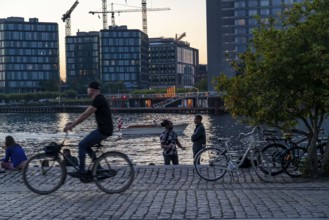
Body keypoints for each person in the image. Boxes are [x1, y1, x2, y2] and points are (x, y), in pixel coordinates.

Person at [63, 81, 113, 177]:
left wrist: (71, 126)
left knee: (81, 144)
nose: (87, 90)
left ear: (92, 89)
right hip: (104, 129)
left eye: (88, 88)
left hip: (103, 130)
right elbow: (85, 113)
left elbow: (86, 114)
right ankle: (99, 169)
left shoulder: (98, 99)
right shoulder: (99, 99)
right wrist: (72, 123)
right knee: (86, 146)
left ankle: (82, 171)